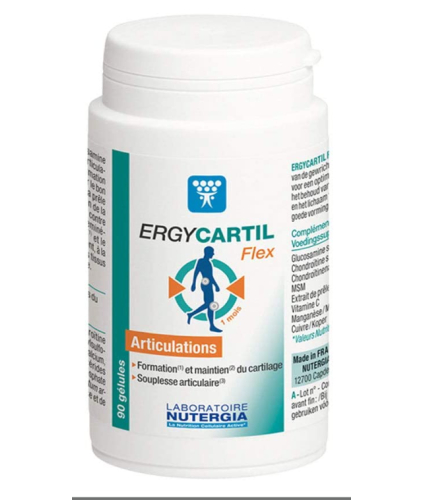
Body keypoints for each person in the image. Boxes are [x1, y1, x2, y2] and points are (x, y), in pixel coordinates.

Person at [187, 246, 222, 333]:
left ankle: (211, 325)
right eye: (212, 252)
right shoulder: (202, 261)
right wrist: (193, 283)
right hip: (206, 284)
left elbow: (209, 276)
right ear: (207, 252)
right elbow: (197, 272)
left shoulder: (208, 262)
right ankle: (192, 314)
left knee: (210, 305)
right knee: (210, 305)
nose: (213, 254)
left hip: (208, 284)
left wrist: (215, 285)